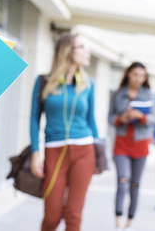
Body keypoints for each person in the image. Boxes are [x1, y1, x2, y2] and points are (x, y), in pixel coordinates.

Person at [29, 32, 99, 231]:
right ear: (68, 50)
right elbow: (34, 119)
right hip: (54, 151)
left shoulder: (88, 84)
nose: (88, 52)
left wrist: (100, 153)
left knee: (73, 216)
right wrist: (36, 153)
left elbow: (91, 119)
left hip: (85, 150)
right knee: (52, 216)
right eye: (82, 47)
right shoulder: (43, 81)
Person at [108, 62, 155, 231]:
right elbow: (110, 118)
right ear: (128, 74)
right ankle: (118, 219)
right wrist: (120, 119)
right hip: (121, 143)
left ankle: (130, 221)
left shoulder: (149, 94)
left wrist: (140, 117)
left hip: (140, 144)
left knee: (134, 185)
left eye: (142, 76)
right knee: (122, 182)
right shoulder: (118, 94)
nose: (139, 79)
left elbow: (154, 119)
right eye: (136, 75)